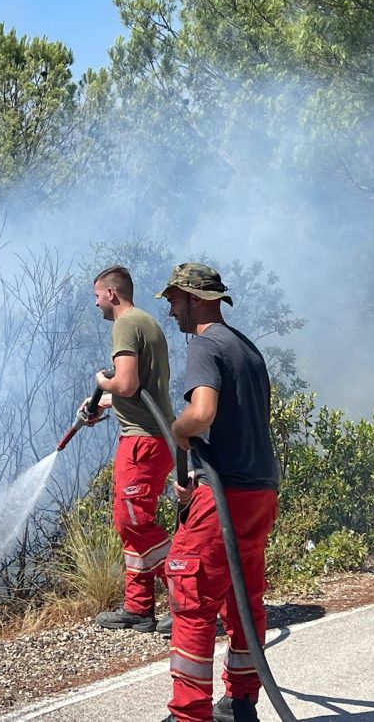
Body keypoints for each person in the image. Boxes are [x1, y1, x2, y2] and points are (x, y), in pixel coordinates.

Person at [156, 262, 279, 722]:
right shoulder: (247, 348)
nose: (170, 311)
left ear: (194, 298)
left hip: (224, 493)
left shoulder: (206, 344)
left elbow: (203, 412)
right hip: (259, 491)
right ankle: (242, 703)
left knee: (191, 593)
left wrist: (179, 430)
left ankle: (190, 714)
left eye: (173, 300)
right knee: (244, 598)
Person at [86, 264, 176, 633]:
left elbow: (126, 383)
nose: (96, 305)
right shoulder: (145, 322)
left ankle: (188, 598)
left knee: (133, 521)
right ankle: (138, 607)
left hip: (144, 440)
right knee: (131, 523)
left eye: (96, 297)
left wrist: (101, 382)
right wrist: (100, 402)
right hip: (150, 436)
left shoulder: (125, 324)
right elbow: (140, 389)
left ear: (111, 293)